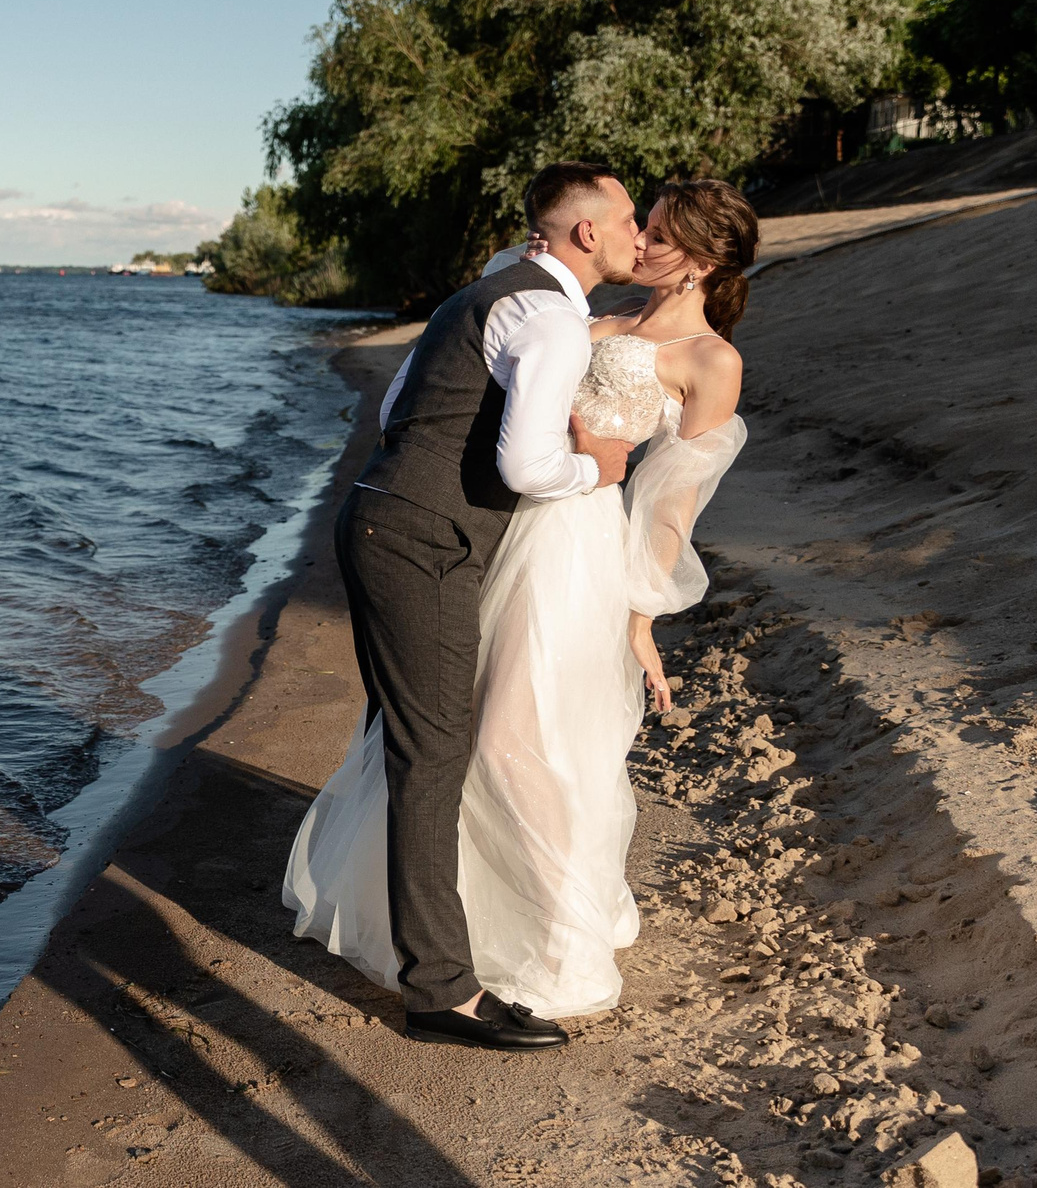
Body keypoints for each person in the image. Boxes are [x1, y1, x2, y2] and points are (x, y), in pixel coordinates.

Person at [285, 175, 756, 1040]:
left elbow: (672, 503)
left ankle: (556, 929)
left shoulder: (709, 360)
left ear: (701, 261)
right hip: (494, 537)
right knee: (453, 729)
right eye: (638, 225)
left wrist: (642, 615)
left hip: (577, 551)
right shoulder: (576, 317)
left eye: (658, 234)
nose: (642, 244)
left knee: (516, 738)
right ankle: (458, 935)